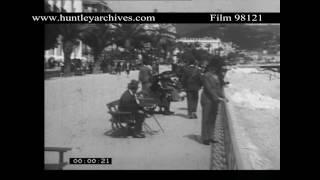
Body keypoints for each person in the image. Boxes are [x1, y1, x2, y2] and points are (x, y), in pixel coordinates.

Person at [200, 59, 227, 145]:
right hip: (207, 99)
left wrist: (223, 97)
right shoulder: (206, 75)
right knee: (206, 119)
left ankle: (211, 136)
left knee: (213, 118)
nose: (216, 69)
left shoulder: (217, 76)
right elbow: (209, 89)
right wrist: (217, 97)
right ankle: (205, 138)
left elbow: (218, 88)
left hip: (215, 100)